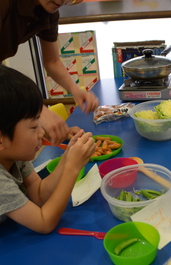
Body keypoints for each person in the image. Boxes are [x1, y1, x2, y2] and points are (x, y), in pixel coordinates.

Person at [0, 65, 96, 233]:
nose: (42, 132)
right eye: (33, 127)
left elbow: (39, 194)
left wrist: (68, 156)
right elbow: (44, 223)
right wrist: (72, 168)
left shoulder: (14, 156)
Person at [0, 0, 99, 145]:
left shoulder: (48, 12)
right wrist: (40, 111)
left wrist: (75, 90)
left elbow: (52, 62)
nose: (62, 1)